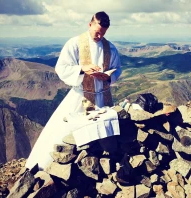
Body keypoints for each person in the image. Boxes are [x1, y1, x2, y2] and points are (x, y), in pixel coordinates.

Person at [25, 11, 122, 170]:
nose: (99, 36)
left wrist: (109, 77)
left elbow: (117, 69)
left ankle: (99, 163)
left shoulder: (110, 47)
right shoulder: (75, 43)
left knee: (104, 133)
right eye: (97, 32)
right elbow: (61, 67)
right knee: (69, 134)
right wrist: (82, 69)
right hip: (81, 97)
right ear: (90, 24)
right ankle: (58, 165)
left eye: (102, 33)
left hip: (103, 97)